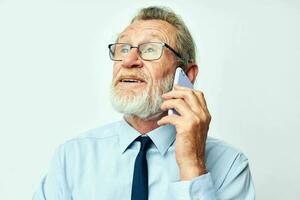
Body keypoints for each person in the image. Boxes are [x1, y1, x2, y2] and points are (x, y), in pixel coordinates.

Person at [33, 6, 255, 200]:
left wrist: (192, 165)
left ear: (187, 74)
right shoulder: (72, 157)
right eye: (123, 49)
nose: (128, 61)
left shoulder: (230, 165)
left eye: (150, 49)